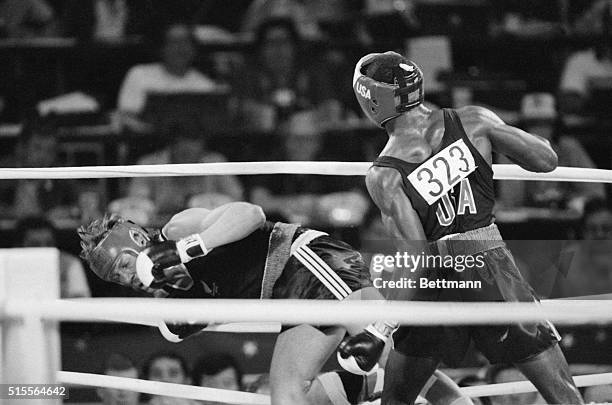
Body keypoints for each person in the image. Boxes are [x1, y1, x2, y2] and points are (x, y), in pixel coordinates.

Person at [339, 51, 583, 405]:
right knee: (564, 396)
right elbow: (546, 160)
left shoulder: (385, 174)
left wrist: (379, 330)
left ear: (370, 100)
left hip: (436, 283)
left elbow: (418, 258)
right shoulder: (473, 120)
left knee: (395, 401)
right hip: (490, 264)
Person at [77, 202, 398, 405]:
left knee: (391, 351)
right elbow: (179, 327)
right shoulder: (169, 292)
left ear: (137, 240)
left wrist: (187, 248)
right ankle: (367, 386)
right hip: (291, 298)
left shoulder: (175, 230)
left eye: (121, 265)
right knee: (287, 396)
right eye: (116, 278)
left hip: (304, 259)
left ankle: (423, 391)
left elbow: (251, 214)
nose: (125, 277)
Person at [116, 21, 220, 130]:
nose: (180, 48)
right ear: (162, 48)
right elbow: (125, 117)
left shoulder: (206, 86)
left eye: (186, 42)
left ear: (194, 49)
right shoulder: (139, 74)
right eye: (174, 42)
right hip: (147, 141)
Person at [15, 216, 91, 298]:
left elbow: (81, 301)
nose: (43, 249)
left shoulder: (70, 263)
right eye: (35, 244)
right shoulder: (8, 265)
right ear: (19, 246)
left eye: (49, 244)